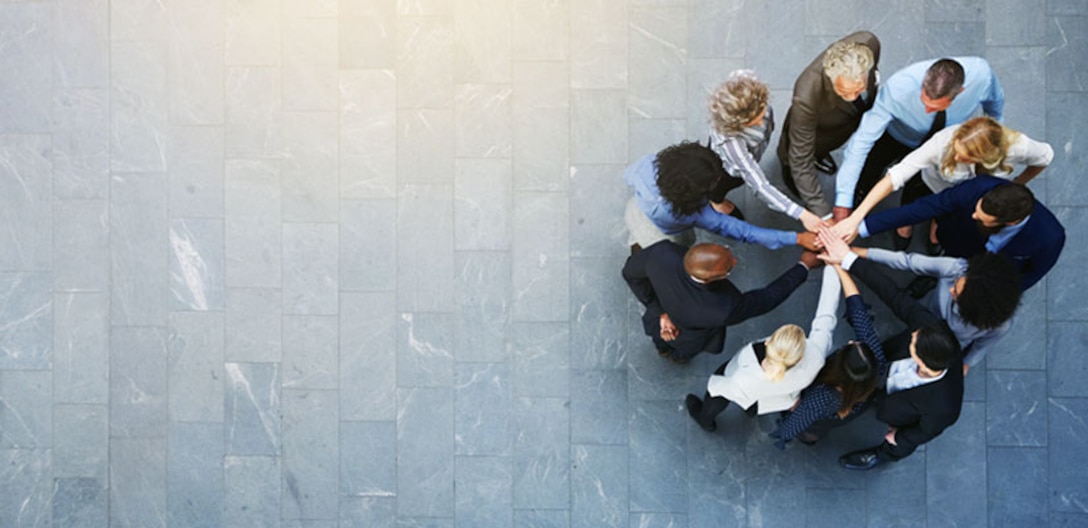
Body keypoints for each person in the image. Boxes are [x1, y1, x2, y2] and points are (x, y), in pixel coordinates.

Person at [819, 229, 964, 470]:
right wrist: (847, 259)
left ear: (924, 363)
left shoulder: (945, 407)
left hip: (895, 412)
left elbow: (924, 432)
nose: (912, 333)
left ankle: (880, 456)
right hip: (882, 368)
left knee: (898, 445)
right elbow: (893, 295)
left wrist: (899, 438)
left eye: (914, 344)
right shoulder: (932, 329)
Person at [835, 116, 1053, 247]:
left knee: (948, 221)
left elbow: (1045, 157)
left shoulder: (1019, 147)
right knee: (913, 205)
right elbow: (898, 174)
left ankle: (936, 225)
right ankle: (906, 226)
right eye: (956, 150)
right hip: (932, 187)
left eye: (966, 157)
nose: (957, 158)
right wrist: (857, 217)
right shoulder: (943, 142)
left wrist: (1019, 182)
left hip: (971, 199)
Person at [832, 57, 1004, 222]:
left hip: (946, 143)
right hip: (898, 136)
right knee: (872, 165)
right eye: (924, 102)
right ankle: (860, 191)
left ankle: (909, 207)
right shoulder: (897, 89)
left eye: (935, 107)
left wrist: (994, 133)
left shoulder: (982, 75)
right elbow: (862, 141)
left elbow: (995, 104)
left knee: (922, 182)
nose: (927, 111)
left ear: (960, 92)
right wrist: (843, 200)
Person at [685, 265, 841, 431]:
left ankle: (705, 418)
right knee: (752, 406)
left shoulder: (743, 378)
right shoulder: (816, 355)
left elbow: (720, 389)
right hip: (770, 401)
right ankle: (749, 413)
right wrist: (834, 266)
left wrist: (713, 385)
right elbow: (826, 315)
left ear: (768, 342)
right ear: (800, 356)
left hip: (744, 388)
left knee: (717, 395)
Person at [847, 175, 1064, 291]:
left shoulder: (1050, 237)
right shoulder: (979, 187)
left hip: (991, 270)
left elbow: (1029, 277)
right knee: (943, 261)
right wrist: (860, 226)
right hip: (957, 239)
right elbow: (924, 208)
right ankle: (931, 277)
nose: (974, 216)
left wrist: (988, 294)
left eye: (982, 218)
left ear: (1010, 222)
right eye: (977, 210)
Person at [622, 240, 820, 363]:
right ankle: (676, 357)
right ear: (712, 278)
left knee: (660, 339)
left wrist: (661, 312)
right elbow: (767, 298)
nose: (735, 261)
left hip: (659, 318)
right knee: (683, 352)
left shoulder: (662, 254)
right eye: (729, 267)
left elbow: (630, 273)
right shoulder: (724, 308)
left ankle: (662, 349)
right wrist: (803, 266)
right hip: (691, 336)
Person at [845, 248, 1022, 375]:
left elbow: (981, 346)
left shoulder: (999, 325)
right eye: (956, 284)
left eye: (958, 295)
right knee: (895, 345)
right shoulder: (956, 269)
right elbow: (907, 261)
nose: (951, 290)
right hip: (923, 311)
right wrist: (858, 252)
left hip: (943, 342)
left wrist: (966, 364)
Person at [768, 260, 886, 449]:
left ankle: (809, 438)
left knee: (810, 427)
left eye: (850, 346)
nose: (851, 341)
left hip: (822, 412)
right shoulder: (875, 361)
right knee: (818, 426)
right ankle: (812, 437)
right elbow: (859, 314)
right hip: (850, 409)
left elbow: (796, 421)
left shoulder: (823, 396)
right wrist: (839, 266)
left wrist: (783, 434)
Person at [624, 141, 819, 252]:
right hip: (667, 234)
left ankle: (635, 241)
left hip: (635, 210)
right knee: (683, 244)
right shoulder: (693, 215)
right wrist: (798, 238)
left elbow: (628, 176)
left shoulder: (649, 165)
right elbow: (744, 231)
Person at [708, 70, 827, 232]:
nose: (759, 123)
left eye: (761, 114)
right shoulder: (731, 143)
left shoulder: (745, 83)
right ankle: (717, 201)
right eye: (751, 123)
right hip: (728, 169)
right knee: (722, 183)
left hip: (752, 151)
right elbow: (760, 186)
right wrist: (801, 214)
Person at [778, 31, 881, 218]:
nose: (852, 97)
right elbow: (800, 162)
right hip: (816, 130)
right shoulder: (806, 96)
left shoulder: (869, 43)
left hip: (839, 128)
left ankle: (820, 154)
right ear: (830, 78)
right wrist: (824, 214)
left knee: (827, 145)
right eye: (844, 92)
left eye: (859, 89)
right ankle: (792, 179)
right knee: (796, 161)